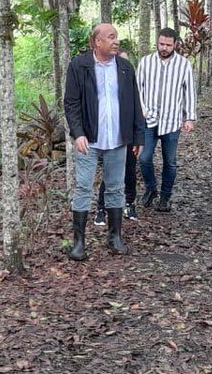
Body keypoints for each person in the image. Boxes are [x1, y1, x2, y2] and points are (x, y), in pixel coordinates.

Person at [63, 24, 146, 261]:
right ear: (97, 42)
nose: (116, 41)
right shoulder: (79, 66)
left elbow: (134, 103)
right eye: (111, 37)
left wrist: (138, 135)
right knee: (83, 186)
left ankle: (114, 237)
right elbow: (71, 103)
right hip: (88, 139)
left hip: (118, 138)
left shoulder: (125, 68)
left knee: (116, 187)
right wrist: (77, 133)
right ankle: (79, 242)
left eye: (116, 37)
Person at [136, 27, 197, 213]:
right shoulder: (145, 62)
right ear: (157, 42)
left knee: (169, 161)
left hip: (172, 121)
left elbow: (190, 91)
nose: (164, 48)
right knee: (144, 158)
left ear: (175, 45)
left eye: (168, 45)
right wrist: (141, 110)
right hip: (149, 119)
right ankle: (151, 188)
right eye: (161, 44)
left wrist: (190, 117)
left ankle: (165, 196)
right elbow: (137, 88)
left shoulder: (184, 64)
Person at [95, 51, 141, 224]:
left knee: (129, 170)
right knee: (110, 173)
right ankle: (102, 208)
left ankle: (129, 203)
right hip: (110, 136)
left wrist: (139, 137)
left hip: (128, 135)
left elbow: (138, 110)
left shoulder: (131, 80)